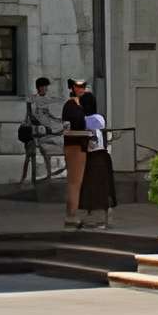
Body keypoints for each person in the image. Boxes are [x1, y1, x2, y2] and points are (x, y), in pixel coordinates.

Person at [75, 88, 116, 228]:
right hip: (99, 156)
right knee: (97, 188)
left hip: (93, 157)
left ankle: (98, 219)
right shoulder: (97, 118)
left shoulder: (91, 120)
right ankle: (96, 217)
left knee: (95, 189)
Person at [18, 76, 59, 187]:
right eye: (44, 86)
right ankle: (24, 178)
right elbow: (30, 115)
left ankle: (48, 176)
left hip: (40, 129)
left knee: (45, 153)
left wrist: (55, 121)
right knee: (29, 155)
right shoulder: (32, 99)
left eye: (46, 86)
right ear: (39, 87)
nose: (46, 88)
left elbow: (47, 115)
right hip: (32, 129)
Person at [60, 79, 91, 224]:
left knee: (77, 182)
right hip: (74, 145)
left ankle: (72, 213)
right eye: (79, 87)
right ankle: (71, 215)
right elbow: (67, 129)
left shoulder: (80, 105)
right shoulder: (70, 106)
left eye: (83, 86)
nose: (82, 89)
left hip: (81, 145)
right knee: (74, 182)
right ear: (73, 88)